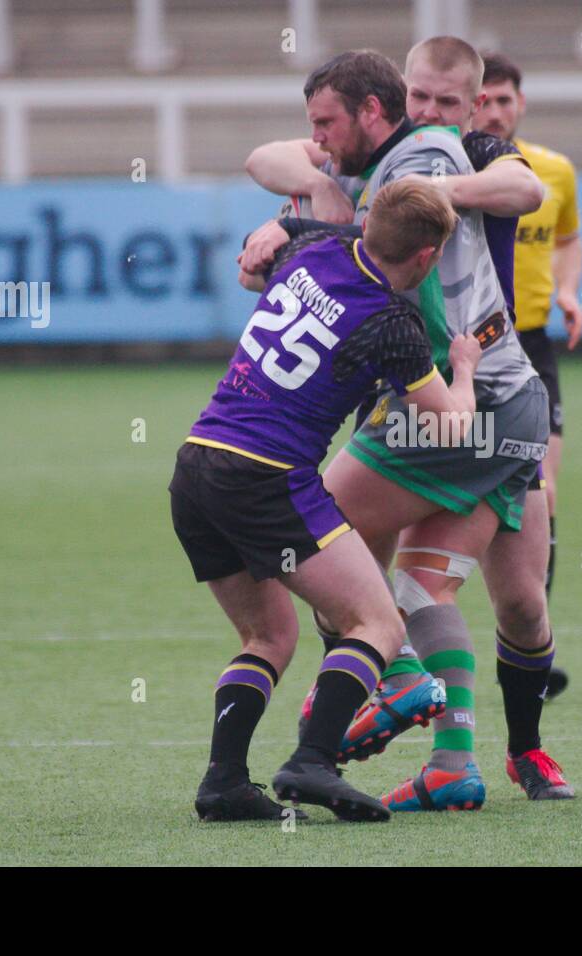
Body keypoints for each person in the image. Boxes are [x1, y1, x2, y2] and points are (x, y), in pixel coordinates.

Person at [242, 41, 574, 809]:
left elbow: (521, 191)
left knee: (310, 532)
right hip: (491, 395)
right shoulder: (373, 153)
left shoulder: (437, 150)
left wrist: (292, 231)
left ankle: (396, 686)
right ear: (397, 92)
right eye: (419, 96)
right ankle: (455, 764)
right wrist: (315, 191)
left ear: (471, 103)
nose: (431, 113)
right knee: (454, 596)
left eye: (447, 102)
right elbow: (270, 159)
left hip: (467, 393)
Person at [170, 179, 482, 822]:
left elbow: (264, 274)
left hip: (195, 466)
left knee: (268, 636)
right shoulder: (393, 323)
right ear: (425, 260)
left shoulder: (311, 254)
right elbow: (451, 425)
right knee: (377, 622)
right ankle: (312, 761)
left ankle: (224, 783)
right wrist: (466, 365)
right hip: (266, 476)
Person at [476, 53, 582, 700]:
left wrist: (570, 290)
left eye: (504, 102)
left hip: (534, 346)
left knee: (540, 500)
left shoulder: (554, 172)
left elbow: (569, 239)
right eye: (483, 102)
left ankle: (530, 652)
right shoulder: (455, 171)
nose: (494, 113)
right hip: (467, 346)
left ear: (522, 103)